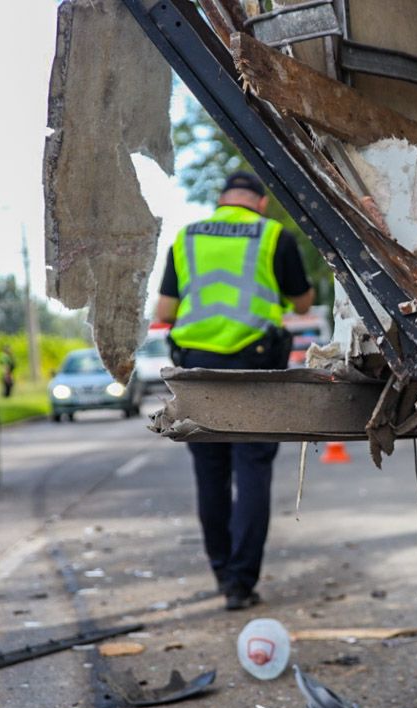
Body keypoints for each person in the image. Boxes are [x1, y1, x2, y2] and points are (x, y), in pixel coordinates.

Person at [155, 172, 314, 610]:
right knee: (252, 470)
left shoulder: (187, 239)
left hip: (196, 368)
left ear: (220, 201)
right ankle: (242, 585)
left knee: (210, 473)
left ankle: (222, 573)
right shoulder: (273, 236)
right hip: (255, 366)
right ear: (260, 203)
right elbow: (301, 303)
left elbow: (164, 310)